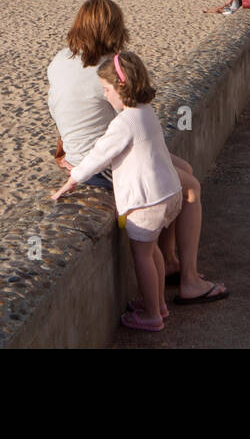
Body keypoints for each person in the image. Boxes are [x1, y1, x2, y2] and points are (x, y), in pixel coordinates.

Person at [47, 0, 225, 307]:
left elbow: (61, 111)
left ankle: (169, 259)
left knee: (183, 169)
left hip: (78, 155)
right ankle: (190, 280)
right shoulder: (110, 69)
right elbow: (131, 122)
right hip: (105, 166)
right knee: (190, 188)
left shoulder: (59, 60)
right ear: (115, 28)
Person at [52, 51, 183, 331]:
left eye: (106, 90)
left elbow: (99, 154)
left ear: (121, 88)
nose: (105, 95)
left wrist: (72, 179)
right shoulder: (146, 112)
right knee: (154, 251)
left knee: (143, 257)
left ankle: (152, 315)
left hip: (147, 203)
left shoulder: (123, 123)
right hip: (170, 194)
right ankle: (158, 303)